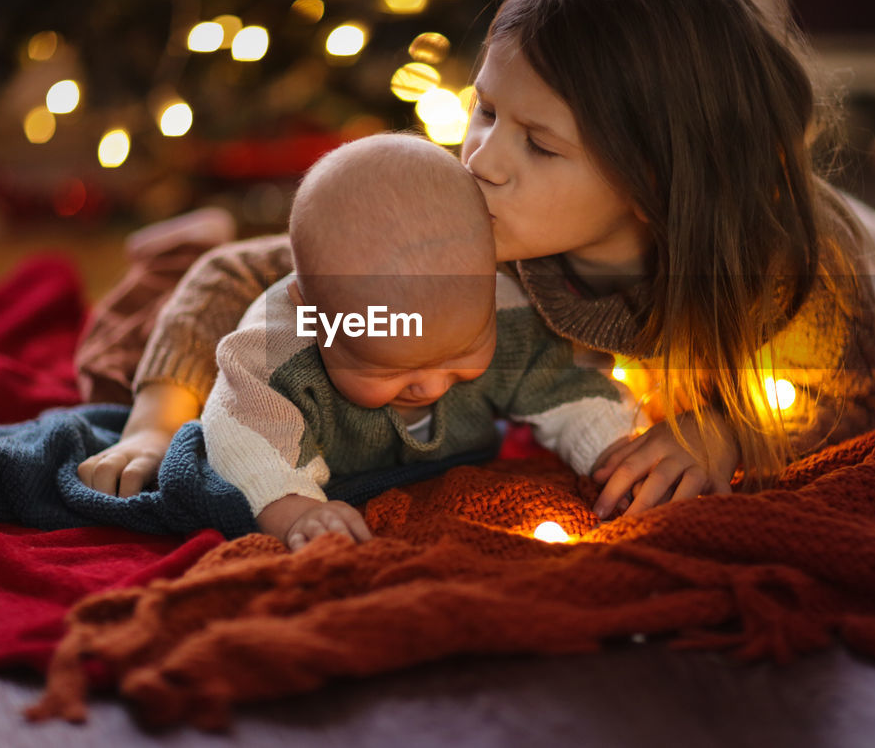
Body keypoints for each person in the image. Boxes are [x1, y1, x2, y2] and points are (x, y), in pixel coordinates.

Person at [76, 0, 875, 520]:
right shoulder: (474, 215)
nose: (482, 160)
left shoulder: (792, 272)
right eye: (483, 113)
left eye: (539, 144)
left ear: (650, 179)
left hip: (852, 246)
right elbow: (246, 275)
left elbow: (868, 395)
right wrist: (159, 422)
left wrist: (722, 432)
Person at [198, 133, 638, 550]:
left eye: (462, 351)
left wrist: (613, 447)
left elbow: (563, 387)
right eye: (390, 369)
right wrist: (295, 509)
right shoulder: (280, 348)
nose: (430, 387)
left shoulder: (504, 310)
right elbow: (244, 433)